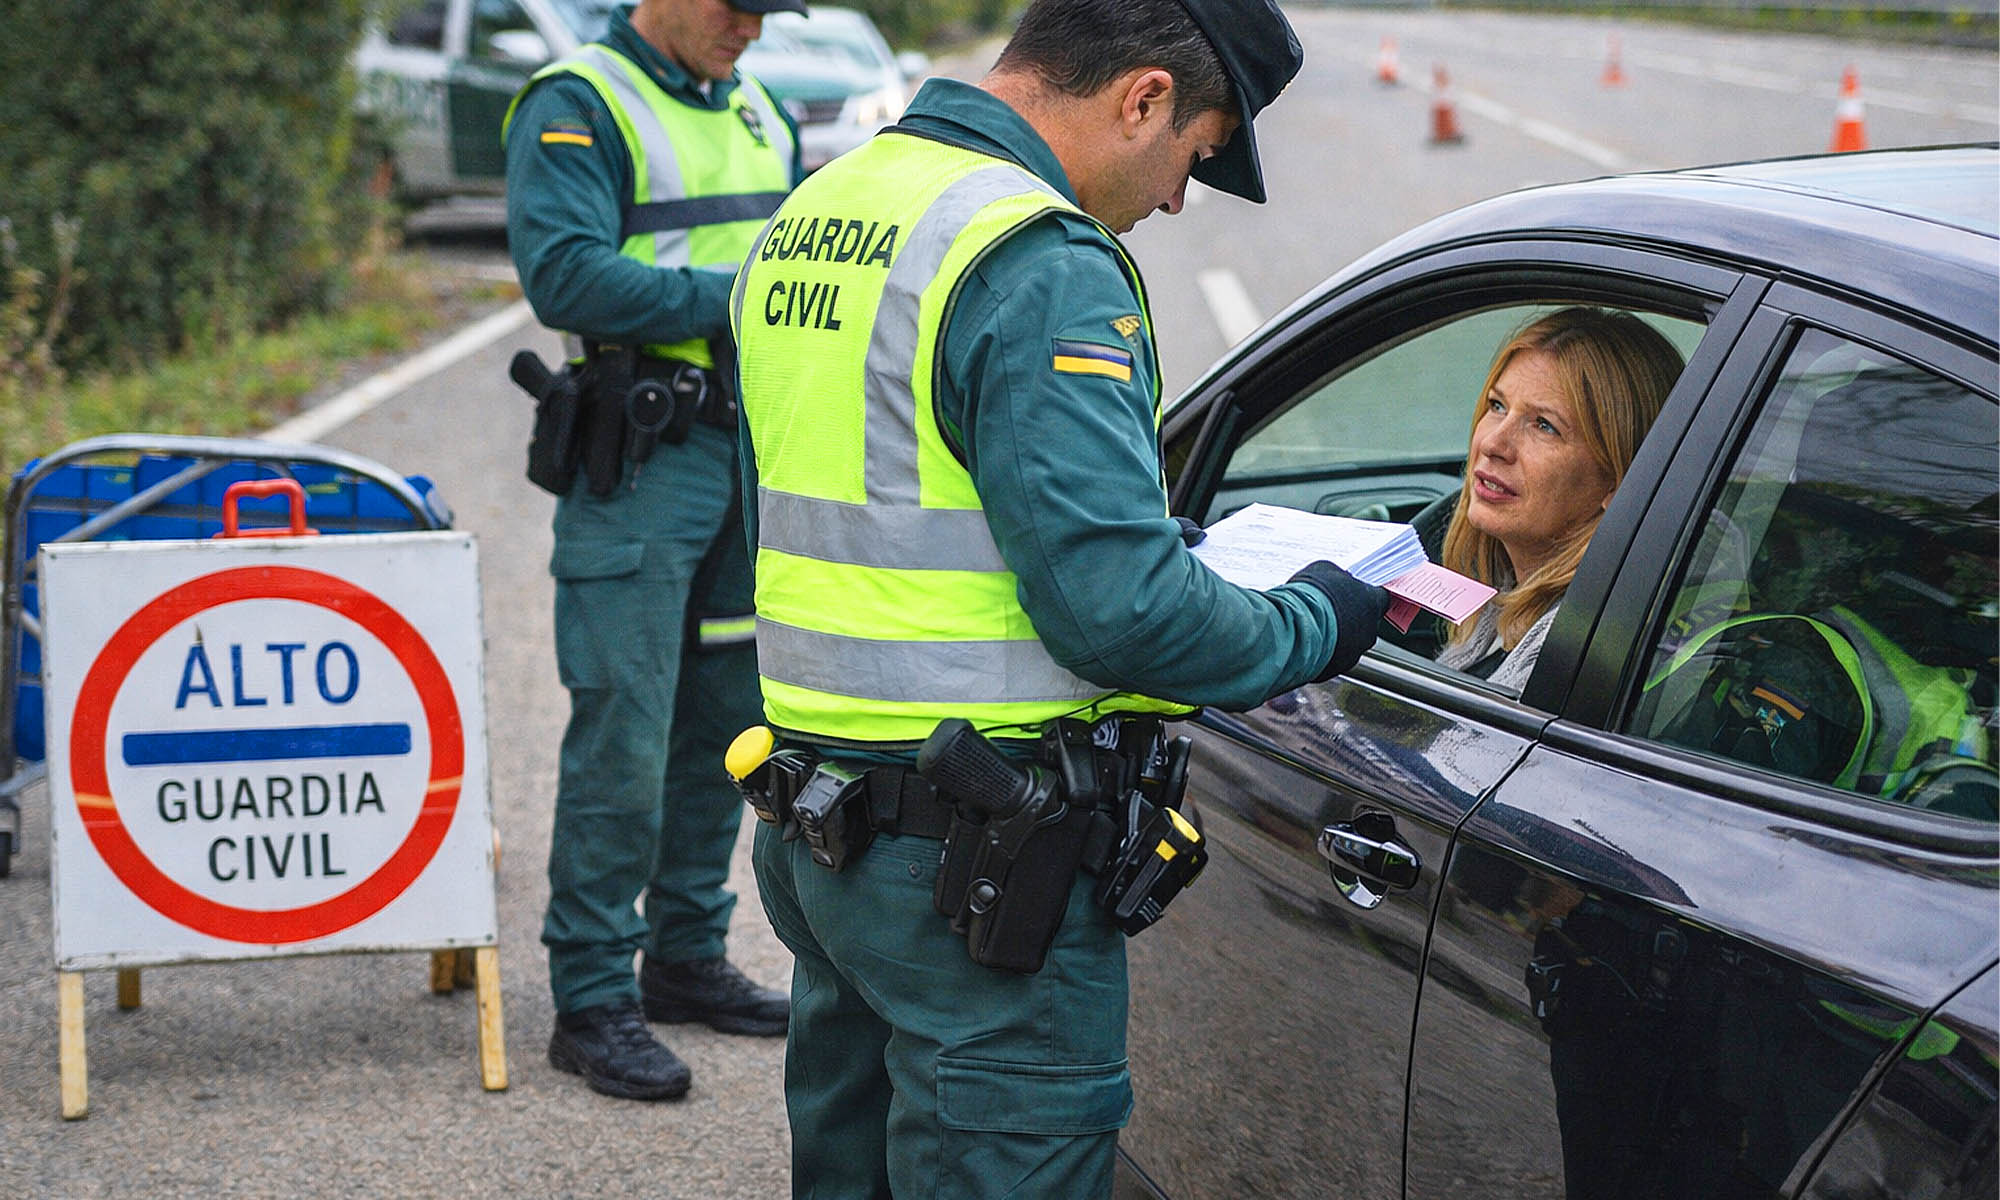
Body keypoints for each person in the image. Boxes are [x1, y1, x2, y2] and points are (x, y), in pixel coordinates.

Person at [728, 0, 1392, 1193]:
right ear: (1140, 97)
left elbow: (838, 504)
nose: (1178, 198)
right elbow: (1118, 618)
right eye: (1192, 152)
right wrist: (1318, 621)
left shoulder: (821, 210)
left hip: (816, 824)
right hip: (968, 864)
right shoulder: (1036, 258)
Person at [501, 0, 805, 1102]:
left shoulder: (763, 109)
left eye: (769, 12)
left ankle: (683, 957)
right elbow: (566, 278)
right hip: (641, 456)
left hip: (747, 453)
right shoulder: (579, 101)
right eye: (736, 9)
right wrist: (745, 301)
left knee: (723, 722)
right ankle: (589, 999)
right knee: (623, 726)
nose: (752, 31)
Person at [1435, 307, 1684, 691]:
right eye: (1497, 405)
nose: (1493, 443)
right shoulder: (1499, 591)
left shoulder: (1580, 653)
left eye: (1545, 426)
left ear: (1620, 482)